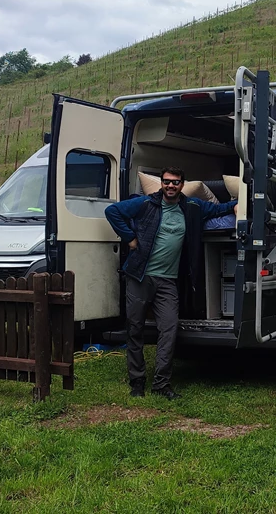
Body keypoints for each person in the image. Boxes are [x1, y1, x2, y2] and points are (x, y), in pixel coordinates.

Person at [104, 167, 237, 399]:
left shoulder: (191, 207)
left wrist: (234, 206)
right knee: (134, 328)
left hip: (168, 281)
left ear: (182, 185)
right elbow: (113, 211)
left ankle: (161, 384)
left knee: (169, 328)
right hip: (140, 276)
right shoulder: (146, 204)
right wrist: (130, 238)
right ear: (162, 184)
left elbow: (217, 209)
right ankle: (137, 381)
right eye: (166, 182)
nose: (170, 186)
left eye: (175, 182)